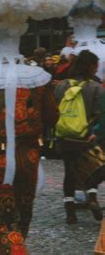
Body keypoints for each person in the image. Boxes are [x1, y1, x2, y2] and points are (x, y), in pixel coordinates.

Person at [55, 50, 104, 224]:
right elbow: (101, 114)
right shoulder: (95, 88)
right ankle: (92, 197)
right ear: (91, 66)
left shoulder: (62, 85)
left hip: (65, 136)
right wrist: (96, 134)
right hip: (86, 136)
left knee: (69, 171)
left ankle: (70, 212)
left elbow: (56, 109)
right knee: (93, 168)